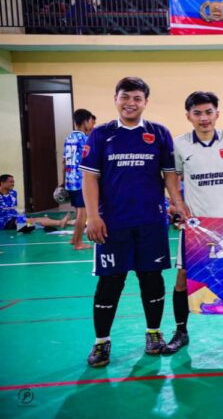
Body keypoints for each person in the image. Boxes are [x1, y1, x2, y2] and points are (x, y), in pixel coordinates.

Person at [81, 77, 186, 367]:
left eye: (137, 98)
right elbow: (89, 178)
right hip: (112, 224)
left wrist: (178, 205)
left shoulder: (159, 133)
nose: (131, 103)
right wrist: (92, 216)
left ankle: (153, 333)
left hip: (151, 222)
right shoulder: (101, 134)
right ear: (116, 99)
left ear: (145, 102)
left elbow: (170, 175)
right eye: (125, 97)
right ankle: (101, 341)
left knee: (151, 279)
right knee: (110, 282)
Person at [162, 91, 223, 354]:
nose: (204, 118)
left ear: (217, 114)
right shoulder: (180, 145)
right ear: (188, 116)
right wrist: (178, 204)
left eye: (209, 112)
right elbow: (172, 177)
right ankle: (181, 331)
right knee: (182, 278)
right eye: (197, 113)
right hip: (194, 226)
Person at [61, 109, 96, 250]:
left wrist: (63, 181)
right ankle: (78, 243)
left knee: (78, 211)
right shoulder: (85, 139)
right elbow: (90, 161)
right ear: (85, 121)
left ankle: (74, 238)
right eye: (91, 122)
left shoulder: (69, 137)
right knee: (83, 213)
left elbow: (64, 161)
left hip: (70, 180)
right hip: (81, 181)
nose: (92, 125)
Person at [0, 174, 69, 232]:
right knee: (33, 221)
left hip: (15, 218)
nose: (13, 184)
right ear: (2, 183)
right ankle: (60, 223)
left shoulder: (13, 193)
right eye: (10, 182)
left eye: (13, 182)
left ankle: (68, 222)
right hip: (5, 222)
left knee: (40, 219)